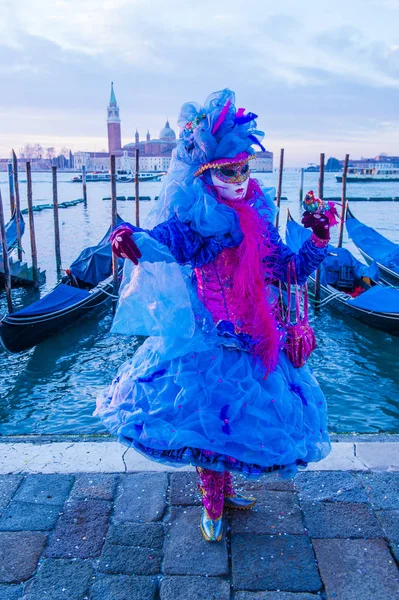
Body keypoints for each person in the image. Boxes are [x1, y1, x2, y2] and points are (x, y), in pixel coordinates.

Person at [95, 89, 333, 543]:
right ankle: (212, 501)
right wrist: (133, 237)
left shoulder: (257, 217)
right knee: (207, 420)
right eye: (229, 170)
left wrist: (318, 240)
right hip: (208, 343)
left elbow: (288, 270)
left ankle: (226, 490)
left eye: (244, 167)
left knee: (236, 421)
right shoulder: (195, 222)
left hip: (257, 340)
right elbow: (166, 240)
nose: (240, 177)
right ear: (206, 172)